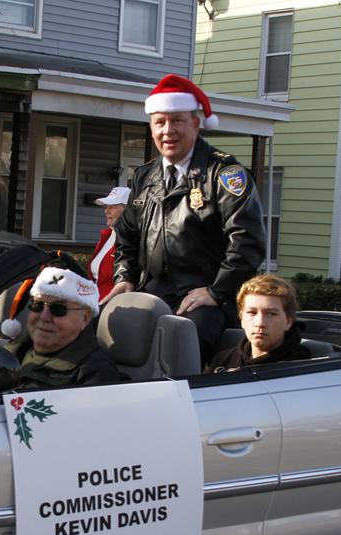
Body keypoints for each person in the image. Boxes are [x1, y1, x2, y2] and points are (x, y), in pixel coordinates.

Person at [107, 74, 266, 364]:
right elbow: (126, 236)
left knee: (178, 353)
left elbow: (248, 242)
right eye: (160, 122)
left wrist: (216, 292)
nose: (168, 130)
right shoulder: (145, 176)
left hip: (208, 298)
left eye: (177, 120)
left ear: (196, 123)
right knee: (101, 335)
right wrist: (125, 277)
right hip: (151, 293)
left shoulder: (224, 174)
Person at [7, 266, 121, 389]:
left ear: (85, 318)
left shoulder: (95, 374)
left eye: (58, 309)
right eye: (37, 305)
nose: (44, 317)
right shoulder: (10, 352)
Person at [209, 274, 310, 372]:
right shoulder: (222, 361)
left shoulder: (300, 369)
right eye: (252, 313)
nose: (260, 323)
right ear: (241, 319)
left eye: (271, 314)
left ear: (288, 321)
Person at [88, 186, 131, 301]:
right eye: (107, 206)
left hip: (114, 308)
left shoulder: (133, 241)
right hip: (94, 305)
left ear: (129, 209)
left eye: (113, 206)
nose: (107, 210)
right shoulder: (107, 236)